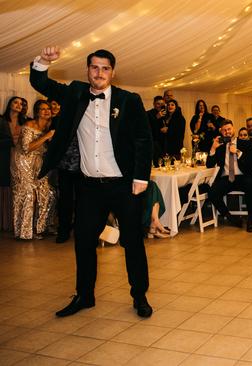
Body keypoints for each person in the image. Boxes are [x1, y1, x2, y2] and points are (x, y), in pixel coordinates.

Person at [30, 46, 154, 318]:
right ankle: (85, 296)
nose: (99, 73)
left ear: (113, 72)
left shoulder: (129, 100)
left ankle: (140, 296)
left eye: (105, 68)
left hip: (124, 185)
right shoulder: (75, 93)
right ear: (87, 70)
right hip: (88, 187)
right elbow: (39, 82)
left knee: (132, 242)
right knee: (83, 242)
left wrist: (141, 177)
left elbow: (143, 140)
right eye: (94, 67)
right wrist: (42, 62)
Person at [11, 100, 57, 240]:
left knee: (49, 193)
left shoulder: (50, 126)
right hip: (23, 161)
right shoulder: (29, 125)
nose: (46, 111)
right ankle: (24, 232)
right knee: (28, 194)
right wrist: (47, 136)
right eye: (42, 109)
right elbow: (26, 148)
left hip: (38, 164)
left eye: (48, 109)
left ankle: (41, 228)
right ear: (37, 112)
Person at [206, 120, 252, 232]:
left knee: (250, 184)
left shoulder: (245, 143)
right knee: (212, 192)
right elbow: (209, 165)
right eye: (224, 130)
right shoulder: (219, 146)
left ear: (233, 129)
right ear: (221, 132)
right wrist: (213, 149)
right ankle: (230, 217)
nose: (227, 132)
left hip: (242, 176)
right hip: (226, 178)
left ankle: (250, 219)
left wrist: (237, 152)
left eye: (229, 129)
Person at [0, 97, 26, 232]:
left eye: (21, 104)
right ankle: (4, 222)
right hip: (4, 157)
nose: (18, 105)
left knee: (17, 186)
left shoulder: (25, 122)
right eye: (15, 102)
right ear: (9, 104)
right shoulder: (1, 120)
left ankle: (15, 222)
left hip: (20, 159)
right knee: (5, 186)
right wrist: (11, 142)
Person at [146, 96, 165, 164]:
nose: (160, 106)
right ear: (154, 104)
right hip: (154, 144)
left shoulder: (166, 114)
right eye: (158, 103)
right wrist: (156, 117)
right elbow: (147, 128)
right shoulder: (148, 114)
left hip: (165, 144)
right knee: (157, 164)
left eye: (162, 104)